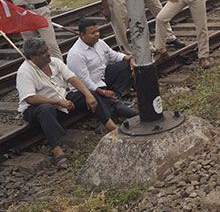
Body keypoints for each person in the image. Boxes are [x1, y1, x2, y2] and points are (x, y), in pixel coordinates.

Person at [16, 38, 135, 169]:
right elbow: (30, 98)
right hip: (38, 108)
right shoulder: (25, 71)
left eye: (47, 50)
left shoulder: (55, 62)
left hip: (61, 100)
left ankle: (110, 125)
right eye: (43, 53)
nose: (48, 54)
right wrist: (58, 102)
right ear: (33, 57)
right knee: (46, 109)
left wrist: (88, 95)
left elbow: (72, 78)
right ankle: (57, 150)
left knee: (88, 93)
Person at [66, 19, 136, 98]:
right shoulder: (76, 54)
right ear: (82, 35)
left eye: (97, 31)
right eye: (93, 33)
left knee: (125, 65)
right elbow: (84, 80)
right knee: (96, 96)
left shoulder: (99, 42)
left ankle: (116, 95)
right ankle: (109, 97)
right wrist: (102, 92)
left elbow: (113, 55)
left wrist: (130, 58)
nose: (97, 34)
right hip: (89, 87)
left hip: (102, 78)